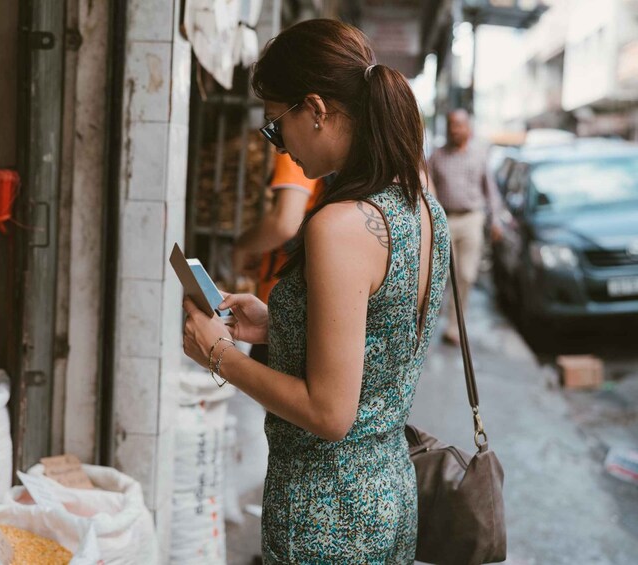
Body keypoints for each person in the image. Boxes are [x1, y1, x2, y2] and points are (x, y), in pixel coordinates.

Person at [181, 19, 451, 563]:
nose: (279, 145)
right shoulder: (419, 205)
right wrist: (280, 324)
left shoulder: (340, 225)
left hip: (325, 515)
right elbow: (381, 337)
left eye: (276, 128)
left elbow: (330, 413)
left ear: (317, 109)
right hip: (388, 493)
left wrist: (219, 355)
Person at [232, 152, 324, 365]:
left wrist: (242, 246)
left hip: (287, 301)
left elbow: (285, 222)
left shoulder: (297, 151)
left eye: (276, 120)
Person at [428, 109, 502, 345]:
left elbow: (491, 191)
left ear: (468, 129)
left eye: (459, 125)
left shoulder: (479, 156)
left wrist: (496, 220)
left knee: (467, 274)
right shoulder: (437, 156)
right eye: (451, 125)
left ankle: (454, 327)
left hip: (472, 218)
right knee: (443, 275)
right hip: (445, 219)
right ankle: (433, 321)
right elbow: (428, 188)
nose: (454, 129)